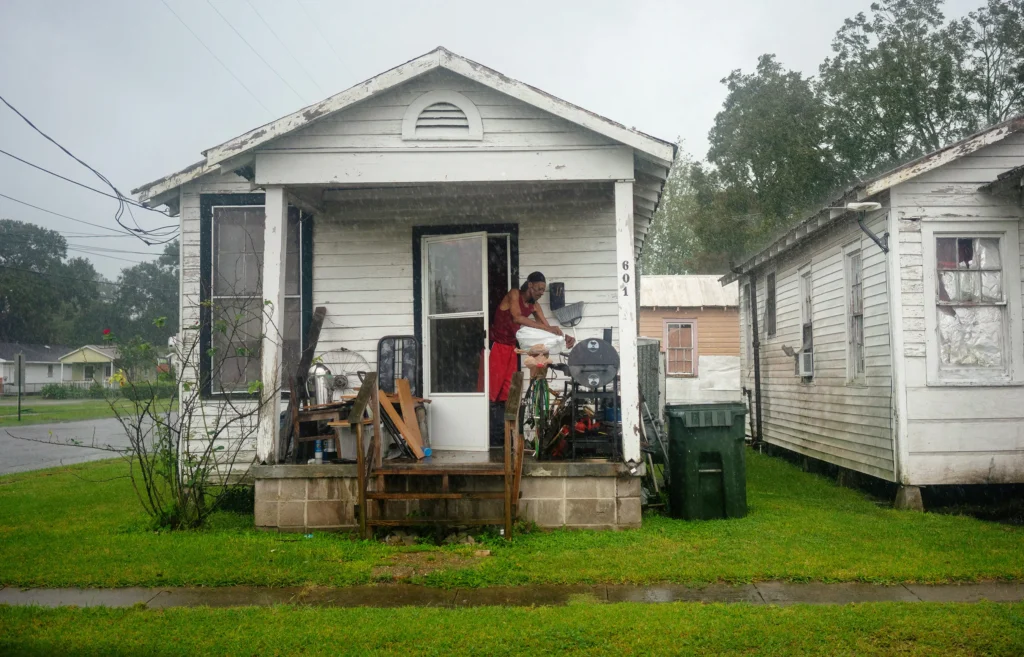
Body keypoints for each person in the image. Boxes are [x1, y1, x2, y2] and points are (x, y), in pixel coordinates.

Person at [489, 271, 576, 405]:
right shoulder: (514, 293)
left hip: (512, 348)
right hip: (496, 346)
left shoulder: (535, 305)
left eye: (543, 290)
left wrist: (564, 337)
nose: (542, 293)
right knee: (491, 389)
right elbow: (517, 317)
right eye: (540, 289)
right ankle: (487, 423)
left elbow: (547, 328)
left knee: (507, 393)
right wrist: (548, 329)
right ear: (530, 285)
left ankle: (502, 423)